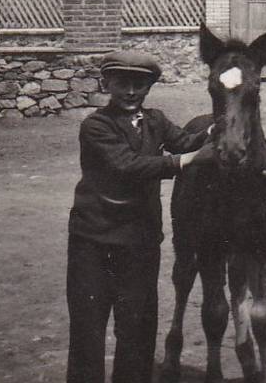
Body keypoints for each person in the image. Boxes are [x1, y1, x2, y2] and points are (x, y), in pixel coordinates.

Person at [66, 50, 214, 383]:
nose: (131, 92)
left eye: (139, 84)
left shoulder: (156, 120)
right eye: (122, 84)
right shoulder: (96, 125)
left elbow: (186, 141)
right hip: (94, 242)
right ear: (107, 84)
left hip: (140, 242)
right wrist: (186, 161)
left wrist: (218, 127)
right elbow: (127, 165)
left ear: (149, 87)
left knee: (137, 329)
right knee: (89, 328)